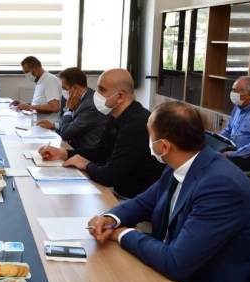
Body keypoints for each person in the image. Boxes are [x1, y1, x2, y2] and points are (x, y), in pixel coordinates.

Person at [87, 101, 250, 282]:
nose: (148, 141)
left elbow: (176, 263)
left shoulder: (222, 186)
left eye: (149, 135)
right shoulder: (181, 163)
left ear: (164, 146)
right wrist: (111, 218)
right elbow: (143, 203)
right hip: (169, 267)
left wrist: (120, 233)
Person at [39, 68, 163, 199]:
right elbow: (99, 152)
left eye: (102, 90)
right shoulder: (115, 115)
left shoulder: (137, 122)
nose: (96, 94)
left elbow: (110, 176)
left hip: (134, 199)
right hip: (119, 191)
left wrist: (85, 164)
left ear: (120, 96)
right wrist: (64, 153)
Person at [36, 67, 107, 149]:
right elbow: (76, 124)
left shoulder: (90, 105)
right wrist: (54, 125)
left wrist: (68, 109)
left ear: (75, 88)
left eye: (64, 88)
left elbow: (66, 134)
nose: (64, 92)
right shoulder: (87, 96)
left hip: (85, 151)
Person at [220, 76, 250, 171]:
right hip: (235, 149)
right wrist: (216, 143)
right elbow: (228, 130)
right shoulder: (237, 108)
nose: (232, 93)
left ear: (249, 95)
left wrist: (229, 154)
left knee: (219, 163)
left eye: (235, 90)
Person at [10, 56, 62, 123]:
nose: (26, 75)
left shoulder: (50, 80)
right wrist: (24, 104)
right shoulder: (40, 81)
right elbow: (41, 103)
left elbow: (54, 107)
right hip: (38, 122)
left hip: (48, 124)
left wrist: (29, 107)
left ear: (36, 68)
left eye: (27, 72)